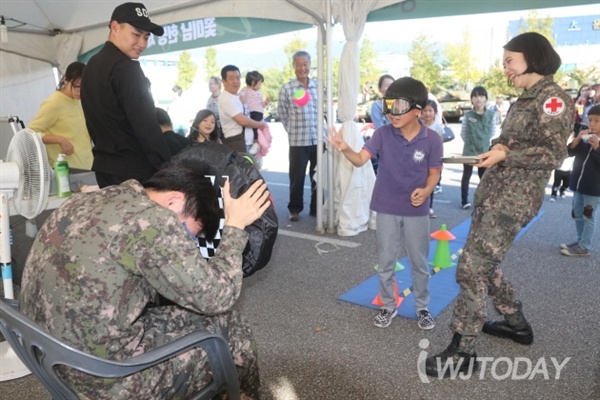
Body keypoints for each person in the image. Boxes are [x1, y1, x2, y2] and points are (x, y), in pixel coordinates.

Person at [19, 162, 270, 399]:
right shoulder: (153, 219)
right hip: (104, 379)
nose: (185, 243)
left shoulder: (89, 199)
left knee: (226, 321)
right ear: (173, 200)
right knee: (235, 339)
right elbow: (218, 297)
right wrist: (235, 226)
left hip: (48, 355)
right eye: (186, 233)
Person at [424, 32, 575, 378]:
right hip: (495, 193)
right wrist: (496, 149)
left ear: (532, 57)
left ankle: (464, 350)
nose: (505, 68)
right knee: (485, 266)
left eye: (510, 60)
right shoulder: (526, 99)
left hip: (513, 200)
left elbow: (553, 154)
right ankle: (517, 325)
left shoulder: (553, 99)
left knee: (471, 269)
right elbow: (510, 142)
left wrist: (506, 153)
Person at [328, 77, 442, 330]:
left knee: (420, 262)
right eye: (389, 104)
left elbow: (434, 172)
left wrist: (426, 191)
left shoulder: (432, 139)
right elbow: (359, 160)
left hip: (416, 210)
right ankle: (388, 305)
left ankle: (422, 307)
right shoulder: (382, 134)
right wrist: (344, 147)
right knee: (386, 260)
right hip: (386, 206)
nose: (392, 112)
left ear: (417, 110)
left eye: (399, 105)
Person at [80, 2, 171, 188]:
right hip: (135, 173)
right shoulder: (127, 68)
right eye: (136, 34)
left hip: (104, 169)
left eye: (146, 37)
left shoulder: (91, 66)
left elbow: (91, 124)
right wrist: (168, 170)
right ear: (115, 27)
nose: (142, 43)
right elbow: (146, 127)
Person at [277, 50, 320, 221]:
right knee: (297, 177)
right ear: (293, 66)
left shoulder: (318, 85)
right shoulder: (287, 88)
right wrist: (292, 129)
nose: (302, 68)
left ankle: (317, 209)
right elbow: (282, 112)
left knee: (319, 176)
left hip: (318, 138)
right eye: (299, 64)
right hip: (297, 140)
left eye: (305, 64)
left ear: (310, 65)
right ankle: (294, 209)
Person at [29, 61, 93, 170]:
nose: (81, 92)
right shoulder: (53, 103)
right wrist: (59, 139)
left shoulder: (79, 101)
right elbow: (30, 133)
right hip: (66, 170)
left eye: (85, 88)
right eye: (77, 87)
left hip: (87, 166)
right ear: (65, 79)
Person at [560, 104, 600, 257]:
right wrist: (577, 139)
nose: (592, 124)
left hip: (594, 188)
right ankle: (580, 240)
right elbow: (569, 152)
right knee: (577, 212)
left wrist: (597, 147)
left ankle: (585, 247)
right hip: (578, 184)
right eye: (590, 120)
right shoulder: (585, 138)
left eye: (597, 121)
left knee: (587, 215)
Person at [459, 86, 495, 209]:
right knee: (466, 176)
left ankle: (483, 200)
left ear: (485, 99)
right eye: (475, 96)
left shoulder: (492, 115)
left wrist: (483, 142)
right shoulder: (467, 115)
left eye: (481, 96)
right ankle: (464, 201)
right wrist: (471, 143)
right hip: (469, 151)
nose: (478, 99)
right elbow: (463, 133)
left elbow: (492, 132)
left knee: (483, 177)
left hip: (484, 151)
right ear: (472, 100)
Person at [218, 65, 266, 154]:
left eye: (238, 77)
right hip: (236, 143)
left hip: (246, 141)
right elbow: (243, 121)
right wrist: (260, 125)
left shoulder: (238, 96)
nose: (236, 81)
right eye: (231, 78)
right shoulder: (226, 98)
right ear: (223, 81)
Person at [420, 99, 445, 218]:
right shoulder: (418, 125)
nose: (427, 113)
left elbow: (440, 144)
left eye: (430, 110)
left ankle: (429, 207)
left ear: (435, 112)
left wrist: (441, 160)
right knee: (419, 182)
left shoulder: (438, 127)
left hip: (433, 158)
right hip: (419, 157)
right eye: (425, 110)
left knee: (431, 182)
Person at [369, 74, 395, 174]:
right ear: (380, 88)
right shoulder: (377, 106)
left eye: (392, 85)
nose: (389, 88)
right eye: (386, 85)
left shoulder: (402, 103)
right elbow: (380, 128)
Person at [239, 70, 269, 155]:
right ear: (252, 83)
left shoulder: (259, 93)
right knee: (253, 127)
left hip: (258, 112)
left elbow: (261, 104)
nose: (260, 86)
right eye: (259, 83)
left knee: (257, 128)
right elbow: (240, 96)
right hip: (251, 112)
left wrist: (265, 103)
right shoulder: (245, 89)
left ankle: (257, 142)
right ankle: (256, 142)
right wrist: (242, 99)